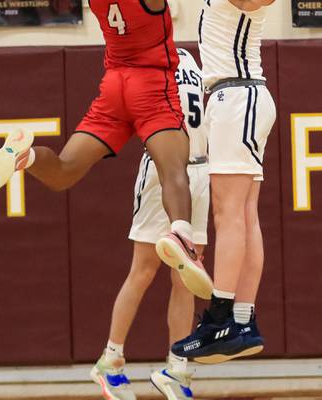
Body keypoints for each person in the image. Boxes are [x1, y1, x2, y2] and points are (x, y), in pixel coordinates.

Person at [0, 0, 212, 300]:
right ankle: (182, 235)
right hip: (150, 84)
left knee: (64, 172)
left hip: (113, 88)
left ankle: (26, 156)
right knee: (173, 170)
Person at [169, 0, 287, 363]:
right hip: (238, 99)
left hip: (238, 96)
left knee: (229, 214)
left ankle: (221, 316)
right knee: (245, 215)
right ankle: (241, 321)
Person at [90, 47, 209, 400]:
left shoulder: (190, 59)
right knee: (143, 270)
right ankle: (110, 361)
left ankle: (177, 368)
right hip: (163, 168)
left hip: (200, 170)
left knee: (187, 276)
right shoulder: (138, 62)